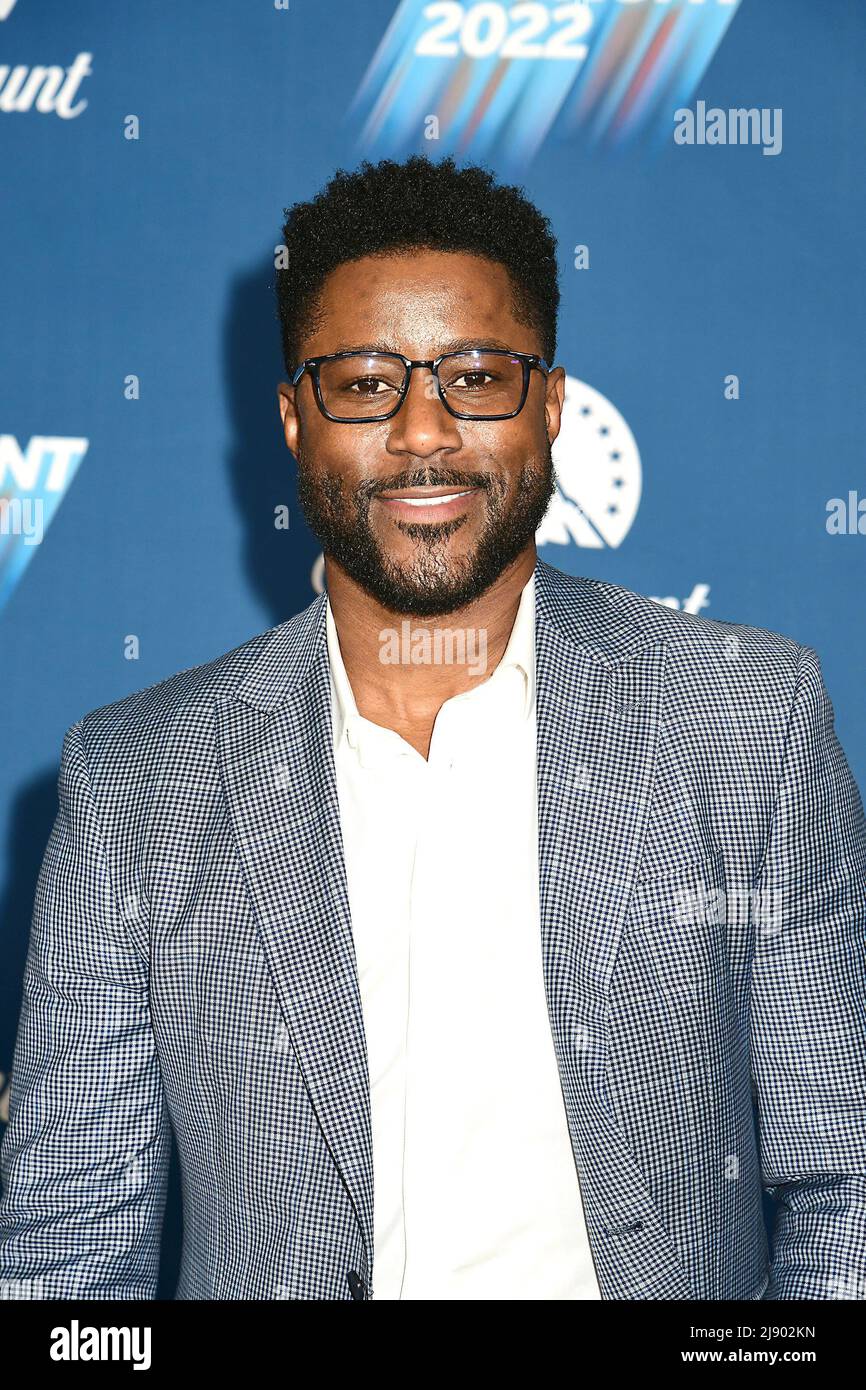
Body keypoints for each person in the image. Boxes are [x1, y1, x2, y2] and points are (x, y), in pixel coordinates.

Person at [1, 155, 865, 1301]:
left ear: (549, 406)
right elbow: (68, 1255)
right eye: (364, 382)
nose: (422, 432)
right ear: (294, 418)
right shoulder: (136, 784)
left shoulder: (745, 717)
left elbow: (843, 1184)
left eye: (474, 376)